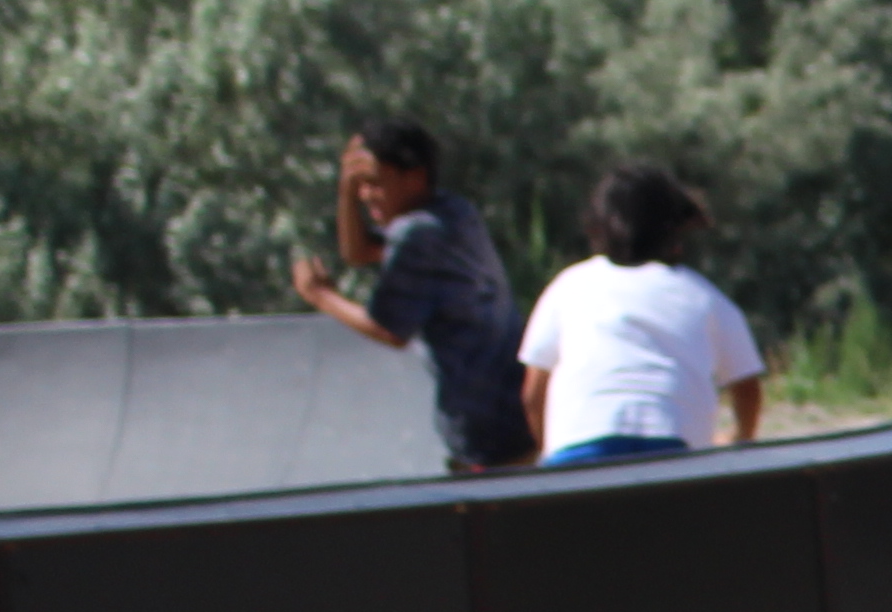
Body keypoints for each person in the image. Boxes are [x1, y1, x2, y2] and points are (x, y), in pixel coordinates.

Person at [288, 117, 533, 474]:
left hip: (486, 427)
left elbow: (389, 330)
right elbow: (359, 253)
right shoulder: (453, 211)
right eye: (360, 185)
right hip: (514, 410)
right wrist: (346, 191)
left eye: (374, 183)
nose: (365, 194)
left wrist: (321, 295)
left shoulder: (418, 234)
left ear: (414, 177)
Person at [512, 164, 766, 467]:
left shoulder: (569, 287)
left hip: (578, 453)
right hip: (673, 450)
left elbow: (533, 392)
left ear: (596, 224)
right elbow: (747, 387)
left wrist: (550, 450)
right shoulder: (703, 296)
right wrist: (739, 437)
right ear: (676, 226)